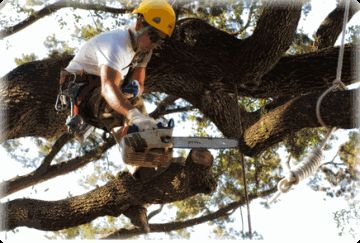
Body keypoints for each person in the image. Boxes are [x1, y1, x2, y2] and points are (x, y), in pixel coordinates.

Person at [61, 0, 176, 133]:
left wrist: (135, 89)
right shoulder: (116, 44)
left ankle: (142, 137)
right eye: (154, 37)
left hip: (99, 88)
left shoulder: (143, 52)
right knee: (124, 110)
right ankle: (132, 130)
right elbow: (108, 88)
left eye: (161, 40)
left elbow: (139, 83)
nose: (155, 44)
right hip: (79, 90)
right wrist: (134, 115)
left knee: (136, 105)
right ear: (139, 25)